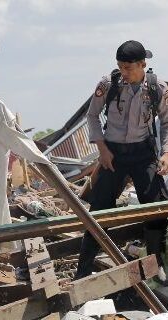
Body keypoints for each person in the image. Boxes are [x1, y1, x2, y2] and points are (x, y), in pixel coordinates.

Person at [77, 40, 168, 279]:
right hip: (113, 155)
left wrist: (166, 152)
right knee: (98, 211)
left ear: (142, 64)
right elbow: (92, 116)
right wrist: (102, 148)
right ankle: (83, 270)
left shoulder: (157, 87)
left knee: (156, 209)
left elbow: (167, 122)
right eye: (120, 67)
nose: (124, 73)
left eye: (128, 68)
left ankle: (155, 266)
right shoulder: (108, 85)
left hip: (143, 155)